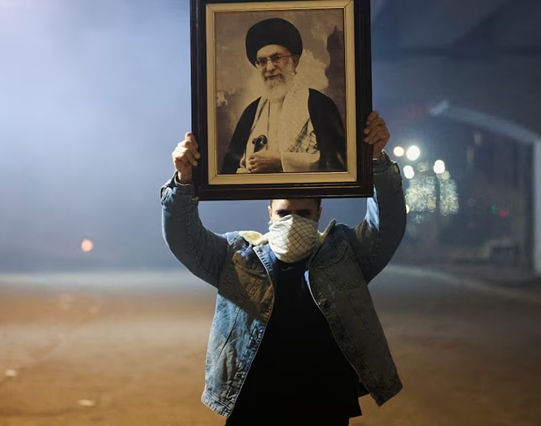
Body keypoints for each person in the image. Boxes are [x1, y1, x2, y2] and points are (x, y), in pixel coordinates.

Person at [162, 111, 405, 425]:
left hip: (325, 405)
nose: (292, 221)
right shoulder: (238, 257)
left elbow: (387, 224)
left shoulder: (344, 254)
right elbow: (185, 240)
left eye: (303, 213)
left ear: (319, 213)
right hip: (252, 403)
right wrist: (183, 180)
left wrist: (376, 160)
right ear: (269, 213)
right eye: (283, 212)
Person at [221, 17, 346, 174]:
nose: (269, 68)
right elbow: (228, 171)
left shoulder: (320, 105)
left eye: (276, 58)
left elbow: (337, 165)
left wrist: (282, 162)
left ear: (294, 61)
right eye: (262, 61)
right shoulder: (251, 112)